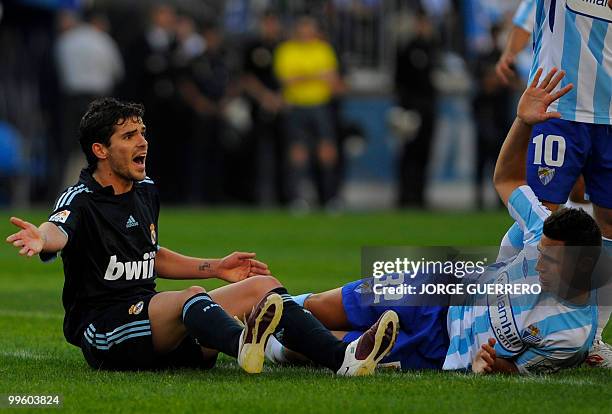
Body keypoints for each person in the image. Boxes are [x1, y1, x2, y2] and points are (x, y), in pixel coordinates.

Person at [5, 97, 398, 375]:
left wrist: (216, 267)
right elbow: (57, 230)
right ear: (100, 150)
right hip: (108, 332)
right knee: (190, 298)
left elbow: (151, 254)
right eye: (128, 136)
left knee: (262, 285)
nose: (142, 142)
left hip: (162, 325)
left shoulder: (145, 191)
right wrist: (41, 238)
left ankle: (344, 357)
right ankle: (245, 344)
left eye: (142, 133)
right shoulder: (82, 197)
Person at [260, 69, 604, 374]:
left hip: (443, 348)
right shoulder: (541, 229)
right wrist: (523, 122)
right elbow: (507, 180)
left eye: (552, 260)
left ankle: (249, 337)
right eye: (541, 254)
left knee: (321, 349)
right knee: (320, 307)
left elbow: (515, 369)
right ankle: (241, 311)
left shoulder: (570, 336)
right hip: (442, 286)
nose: (540, 264)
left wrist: (494, 364)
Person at [499, 0, 612, 367]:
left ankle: (594, 335)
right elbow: (522, 19)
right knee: (542, 215)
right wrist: (511, 51)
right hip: (559, 103)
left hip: (610, 113)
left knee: (610, 222)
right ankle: (500, 299)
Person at [274, 16, 340, 209]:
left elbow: (332, 79)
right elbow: (287, 80)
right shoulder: (286, 50)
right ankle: (297, 198)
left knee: (326, 151)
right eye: (302, 29)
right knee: (297, 153)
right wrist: (316, 75)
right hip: (296, 105)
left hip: (320, 105)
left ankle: (329, 198)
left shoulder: (323, 49)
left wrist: (302, 76)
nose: (305, 33)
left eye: (308, 29)